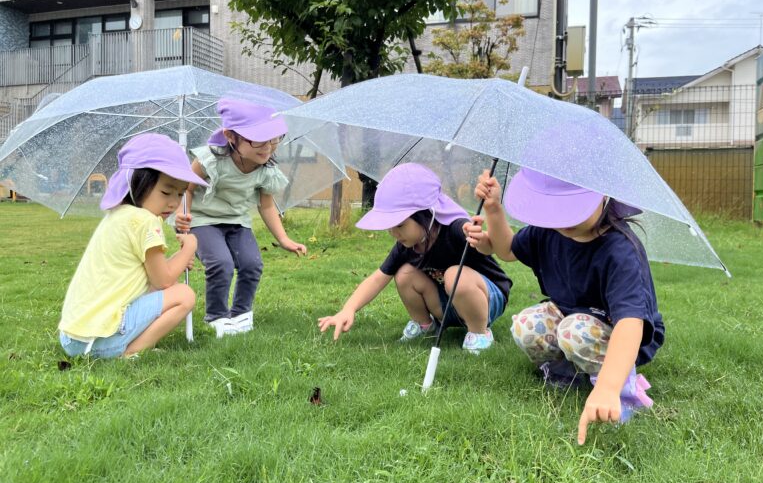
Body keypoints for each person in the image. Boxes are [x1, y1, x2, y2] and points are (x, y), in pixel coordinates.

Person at [467, 167, 664, 444]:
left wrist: (608, 388)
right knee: (527, 326)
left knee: (574, 331)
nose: (565, 218)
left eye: (575, 206)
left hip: (618, 332)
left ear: (603, 195)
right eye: (556, 207)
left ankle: (623, 386)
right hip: (571, 317)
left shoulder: (620, 250)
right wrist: (494, 211)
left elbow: (630, 322)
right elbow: (507, 249)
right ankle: (568, 374)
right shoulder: (549, 230)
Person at [318, 163, 511, 352]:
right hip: (448, 305)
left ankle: (479, 334)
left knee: (454, 274)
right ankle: (425, 326)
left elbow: (488, 248)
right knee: (404, 274)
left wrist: (481, 239)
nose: (394, 232)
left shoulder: (455, 229)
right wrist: (348, 309)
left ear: (426, 215)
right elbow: (377, 278)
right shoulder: (407, 245)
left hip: (486, 300)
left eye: (400, 225)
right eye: (390, 225)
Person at [58, 133, 208, 359]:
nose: (174, 202)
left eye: (180, 193)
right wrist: (189, 248)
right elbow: (163, 279)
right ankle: (130, 351)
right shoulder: (145, 221)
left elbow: (153, 276)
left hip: (72, 339)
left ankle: (120, 345)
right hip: (99, 340)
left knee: (165, 290)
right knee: (184, 294)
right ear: (138, 182)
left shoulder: (119, 215)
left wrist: (179, 258)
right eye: (166, 192)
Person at [175, 97, 306, 337]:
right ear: (230, 136)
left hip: (237, 222)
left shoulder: (266, 169)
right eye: (258, 140)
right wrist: (181, 217)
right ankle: (216, 316)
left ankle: (241, 314)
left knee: (252, 264)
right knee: (221, 264)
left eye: (274, 139)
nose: (267, 147)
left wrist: (284, 239)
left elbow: (266, 206)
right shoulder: (210, 159)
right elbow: (187, 188)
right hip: (204, 220)